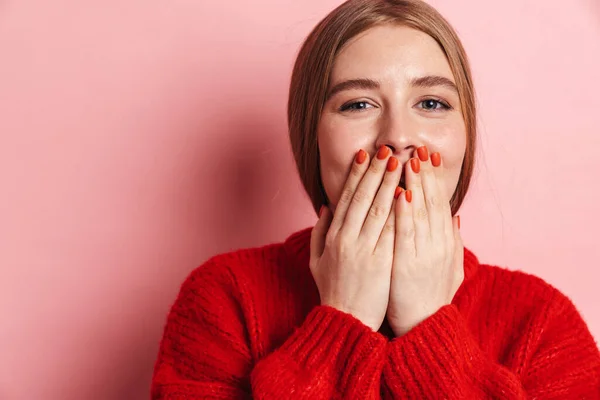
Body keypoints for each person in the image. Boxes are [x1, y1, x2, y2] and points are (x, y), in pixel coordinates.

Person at [150, 0, 600, 398]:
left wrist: (429, 325)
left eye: (432, 104)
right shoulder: (223, 299)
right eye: (358, 105)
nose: (399, 137)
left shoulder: (542, 323)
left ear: (466, 134)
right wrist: (343, 321)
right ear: (312, 136)